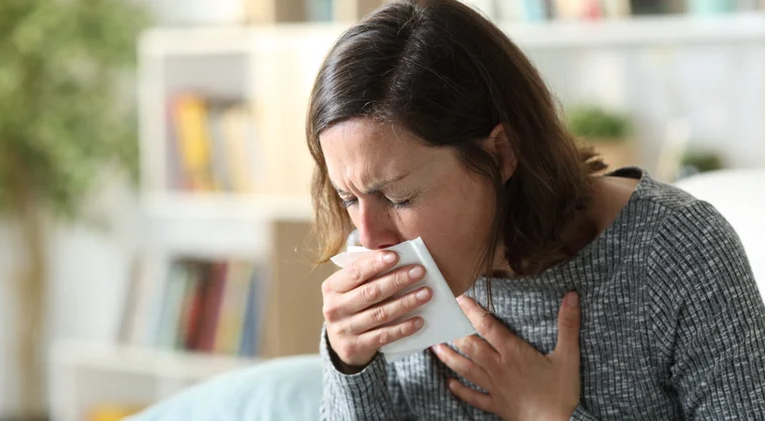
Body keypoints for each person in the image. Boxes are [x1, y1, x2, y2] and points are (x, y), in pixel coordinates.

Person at [305, 1, 765, 420]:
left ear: (503, 153)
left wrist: (550, 417)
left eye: (399, 198)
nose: (368, 239)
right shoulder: (378, 268)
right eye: (349, 198)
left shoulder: (678, 252)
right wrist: (350, 365)